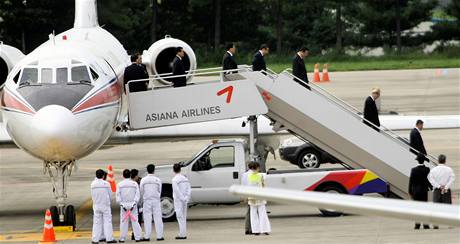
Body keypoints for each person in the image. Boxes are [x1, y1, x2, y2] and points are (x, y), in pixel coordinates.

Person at [428, 154, 455, 229]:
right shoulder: (449, 169)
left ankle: (436, 224)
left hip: (437, 190)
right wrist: (445, 186)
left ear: (438, 160)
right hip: (446, 190)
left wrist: (439, 186)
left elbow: (431, 179)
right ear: (445, 160)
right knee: (448, 207)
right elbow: (452, 178)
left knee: (436, 207)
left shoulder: (433, 170)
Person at [116, 169, 142, 242]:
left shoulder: (120, 184)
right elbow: (137, 195)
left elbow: (118, 196)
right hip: (132, 205)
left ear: (123, 175)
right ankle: (138, 237)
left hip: (123, 205)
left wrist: (121, 204)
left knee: (124, 222)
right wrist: (134, 203)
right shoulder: (134, 184)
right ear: (130, 175)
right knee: (135, 221)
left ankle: (122, 238)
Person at [91, 169, 116, 244]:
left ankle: (95, 239)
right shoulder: (106, 184)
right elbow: (110, 194)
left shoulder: (92, 184)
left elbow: (92, 195)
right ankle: (109, 238)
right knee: (107, 222)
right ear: (103, 176)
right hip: (105, 205)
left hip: (96, 205)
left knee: (96, 223)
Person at [140, 164, 164, 241]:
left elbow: (141, 191)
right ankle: (159, 236)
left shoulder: (143, 180)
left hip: (147, 201)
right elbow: (160, 190)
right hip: (156, 200)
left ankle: (147, 236)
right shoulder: (157, 180)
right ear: (154, 170)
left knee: (147, 219)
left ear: (147, 170)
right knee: (158, 218)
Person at [408, 154, 432, 229]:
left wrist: (410, 191)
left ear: (417, 160)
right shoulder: (427, 169)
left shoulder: (413, 170)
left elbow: (411, 181)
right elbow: (425, 179)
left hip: (415, 191)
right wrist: (430, 186)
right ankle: (425, 224)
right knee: (425, 207)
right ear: (424, 161)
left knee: (417, 208)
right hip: (424, 191)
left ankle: (417, 224)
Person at [247, 162, 271, 235]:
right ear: (258, 167)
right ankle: (265, 229)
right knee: (262, 213)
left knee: (253, 214)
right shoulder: (262, 175)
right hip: (260, 196)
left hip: (251, 197)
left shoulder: (247, 176)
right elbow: (264, 185)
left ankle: (256, 231)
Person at [172, 163, 191, 240]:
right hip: (185, 200)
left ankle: (182, 234)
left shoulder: (174, 180)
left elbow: (176, 191)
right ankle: (183, 233)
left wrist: (182, 198)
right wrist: (186, 198)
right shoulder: (185, 178)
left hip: (179, 201)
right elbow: (189, 189)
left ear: (173, 170)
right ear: (180, 169)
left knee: (180, 217)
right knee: (184, 217)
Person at [241, 162, 255, 235]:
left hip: (247, 194)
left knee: (248, 212)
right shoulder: (254, 174)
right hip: (253, 195)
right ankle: (252, 228)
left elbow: (243, 185)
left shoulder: (244, 174)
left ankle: (247, 228)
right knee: (254, 213)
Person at [130, 169, 143, 241]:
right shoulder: (137, 184)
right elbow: (140, 195)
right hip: (136, 205)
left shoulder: (128, 182)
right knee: (138, 221)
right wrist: (141, 205)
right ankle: (136, 235)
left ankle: (134, 234)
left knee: (133, 221)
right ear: (135, 176)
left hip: (129, 204)